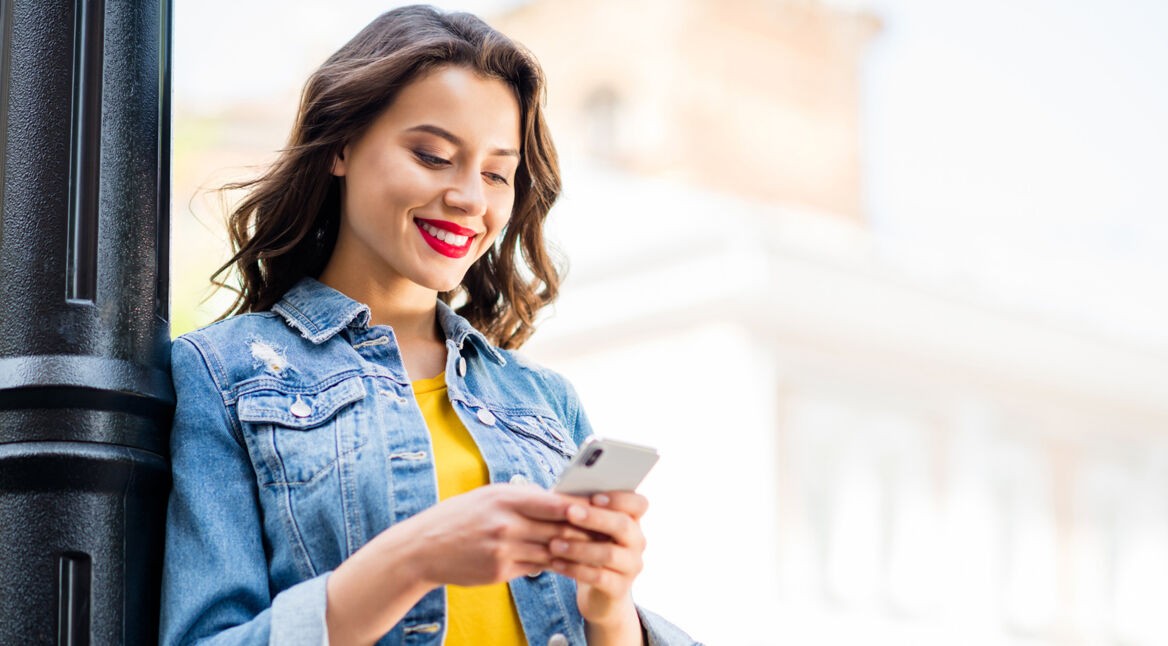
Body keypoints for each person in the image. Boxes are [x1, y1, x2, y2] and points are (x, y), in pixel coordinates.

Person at [160, 5, 698, 645]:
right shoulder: (223, 375)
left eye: (497, 173)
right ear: (340, 145)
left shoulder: (543, 399)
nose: (471, 198)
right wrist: (412, 559)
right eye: (433, 155)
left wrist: (610, 611)